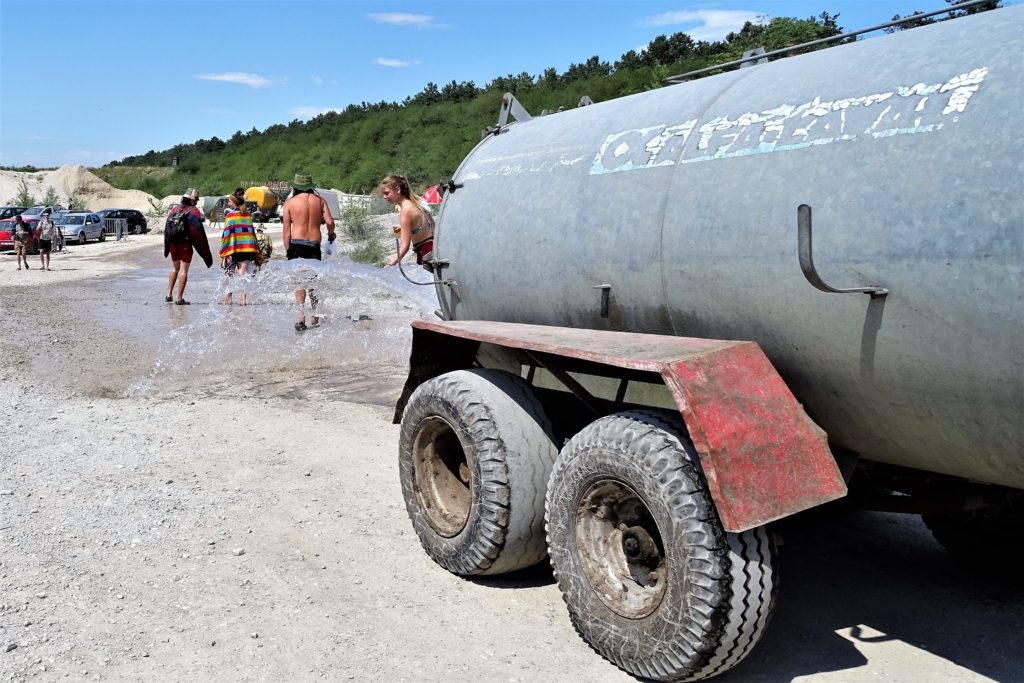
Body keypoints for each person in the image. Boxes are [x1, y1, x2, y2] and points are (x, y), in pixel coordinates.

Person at [282, 172, 335, 331]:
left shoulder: (290, 203)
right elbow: (330, 222)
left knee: (299, 281)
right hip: (314, 245)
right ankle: (315, 315)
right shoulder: (320, 200)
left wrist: (288, 250)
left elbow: (286, 231)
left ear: (296, 186)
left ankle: (301, 317)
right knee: (313, 282)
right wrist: (331, 234)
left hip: (296, 245)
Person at [381, 175, 435, 271]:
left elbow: (405, 246)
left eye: (387, 193)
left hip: (426, 254)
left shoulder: (405, 212)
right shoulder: (417, 204)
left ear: (397, 190)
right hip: (435, 249)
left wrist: (390, 264)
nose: (384, 197)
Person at [219, 188, 262, 306]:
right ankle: (243, 299)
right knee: (243, 273)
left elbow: (227, 234)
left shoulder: (230, 215)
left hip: (233, 248)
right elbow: (251, 232)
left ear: (234, 203)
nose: (228, 203)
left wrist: (223, 247)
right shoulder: (247, 215)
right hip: (247, 247)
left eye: (229, 201)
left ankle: (228, 298)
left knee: (229, 272)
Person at [164, 188, 204, 305]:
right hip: (185, 244)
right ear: (191, 200)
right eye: (195, 199)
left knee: (174, 268)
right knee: (183, 270)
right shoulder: (194, 211)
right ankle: (179, 298)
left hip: (173, 243)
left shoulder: (174, 209)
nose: (196, 202)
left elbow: (167, 228)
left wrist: (167, 246)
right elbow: (197, 232)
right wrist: (203, 251)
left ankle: (168, 295)